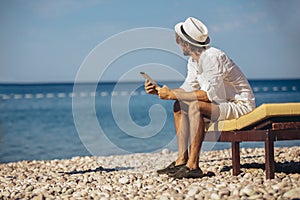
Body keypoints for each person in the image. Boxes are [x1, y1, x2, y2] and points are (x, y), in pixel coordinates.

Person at [144, 17, 255, 179]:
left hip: (239, 105)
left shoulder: (213, 58)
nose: (178, 44)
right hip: (221, 104)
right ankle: (182, 160)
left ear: (187, 44)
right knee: (178, 105)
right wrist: (160, 91)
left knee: (194, 106)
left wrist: (172, 93)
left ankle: (193, 165)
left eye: (179, 41)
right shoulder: (193, 62)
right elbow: (187, 90)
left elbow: (206, 95)